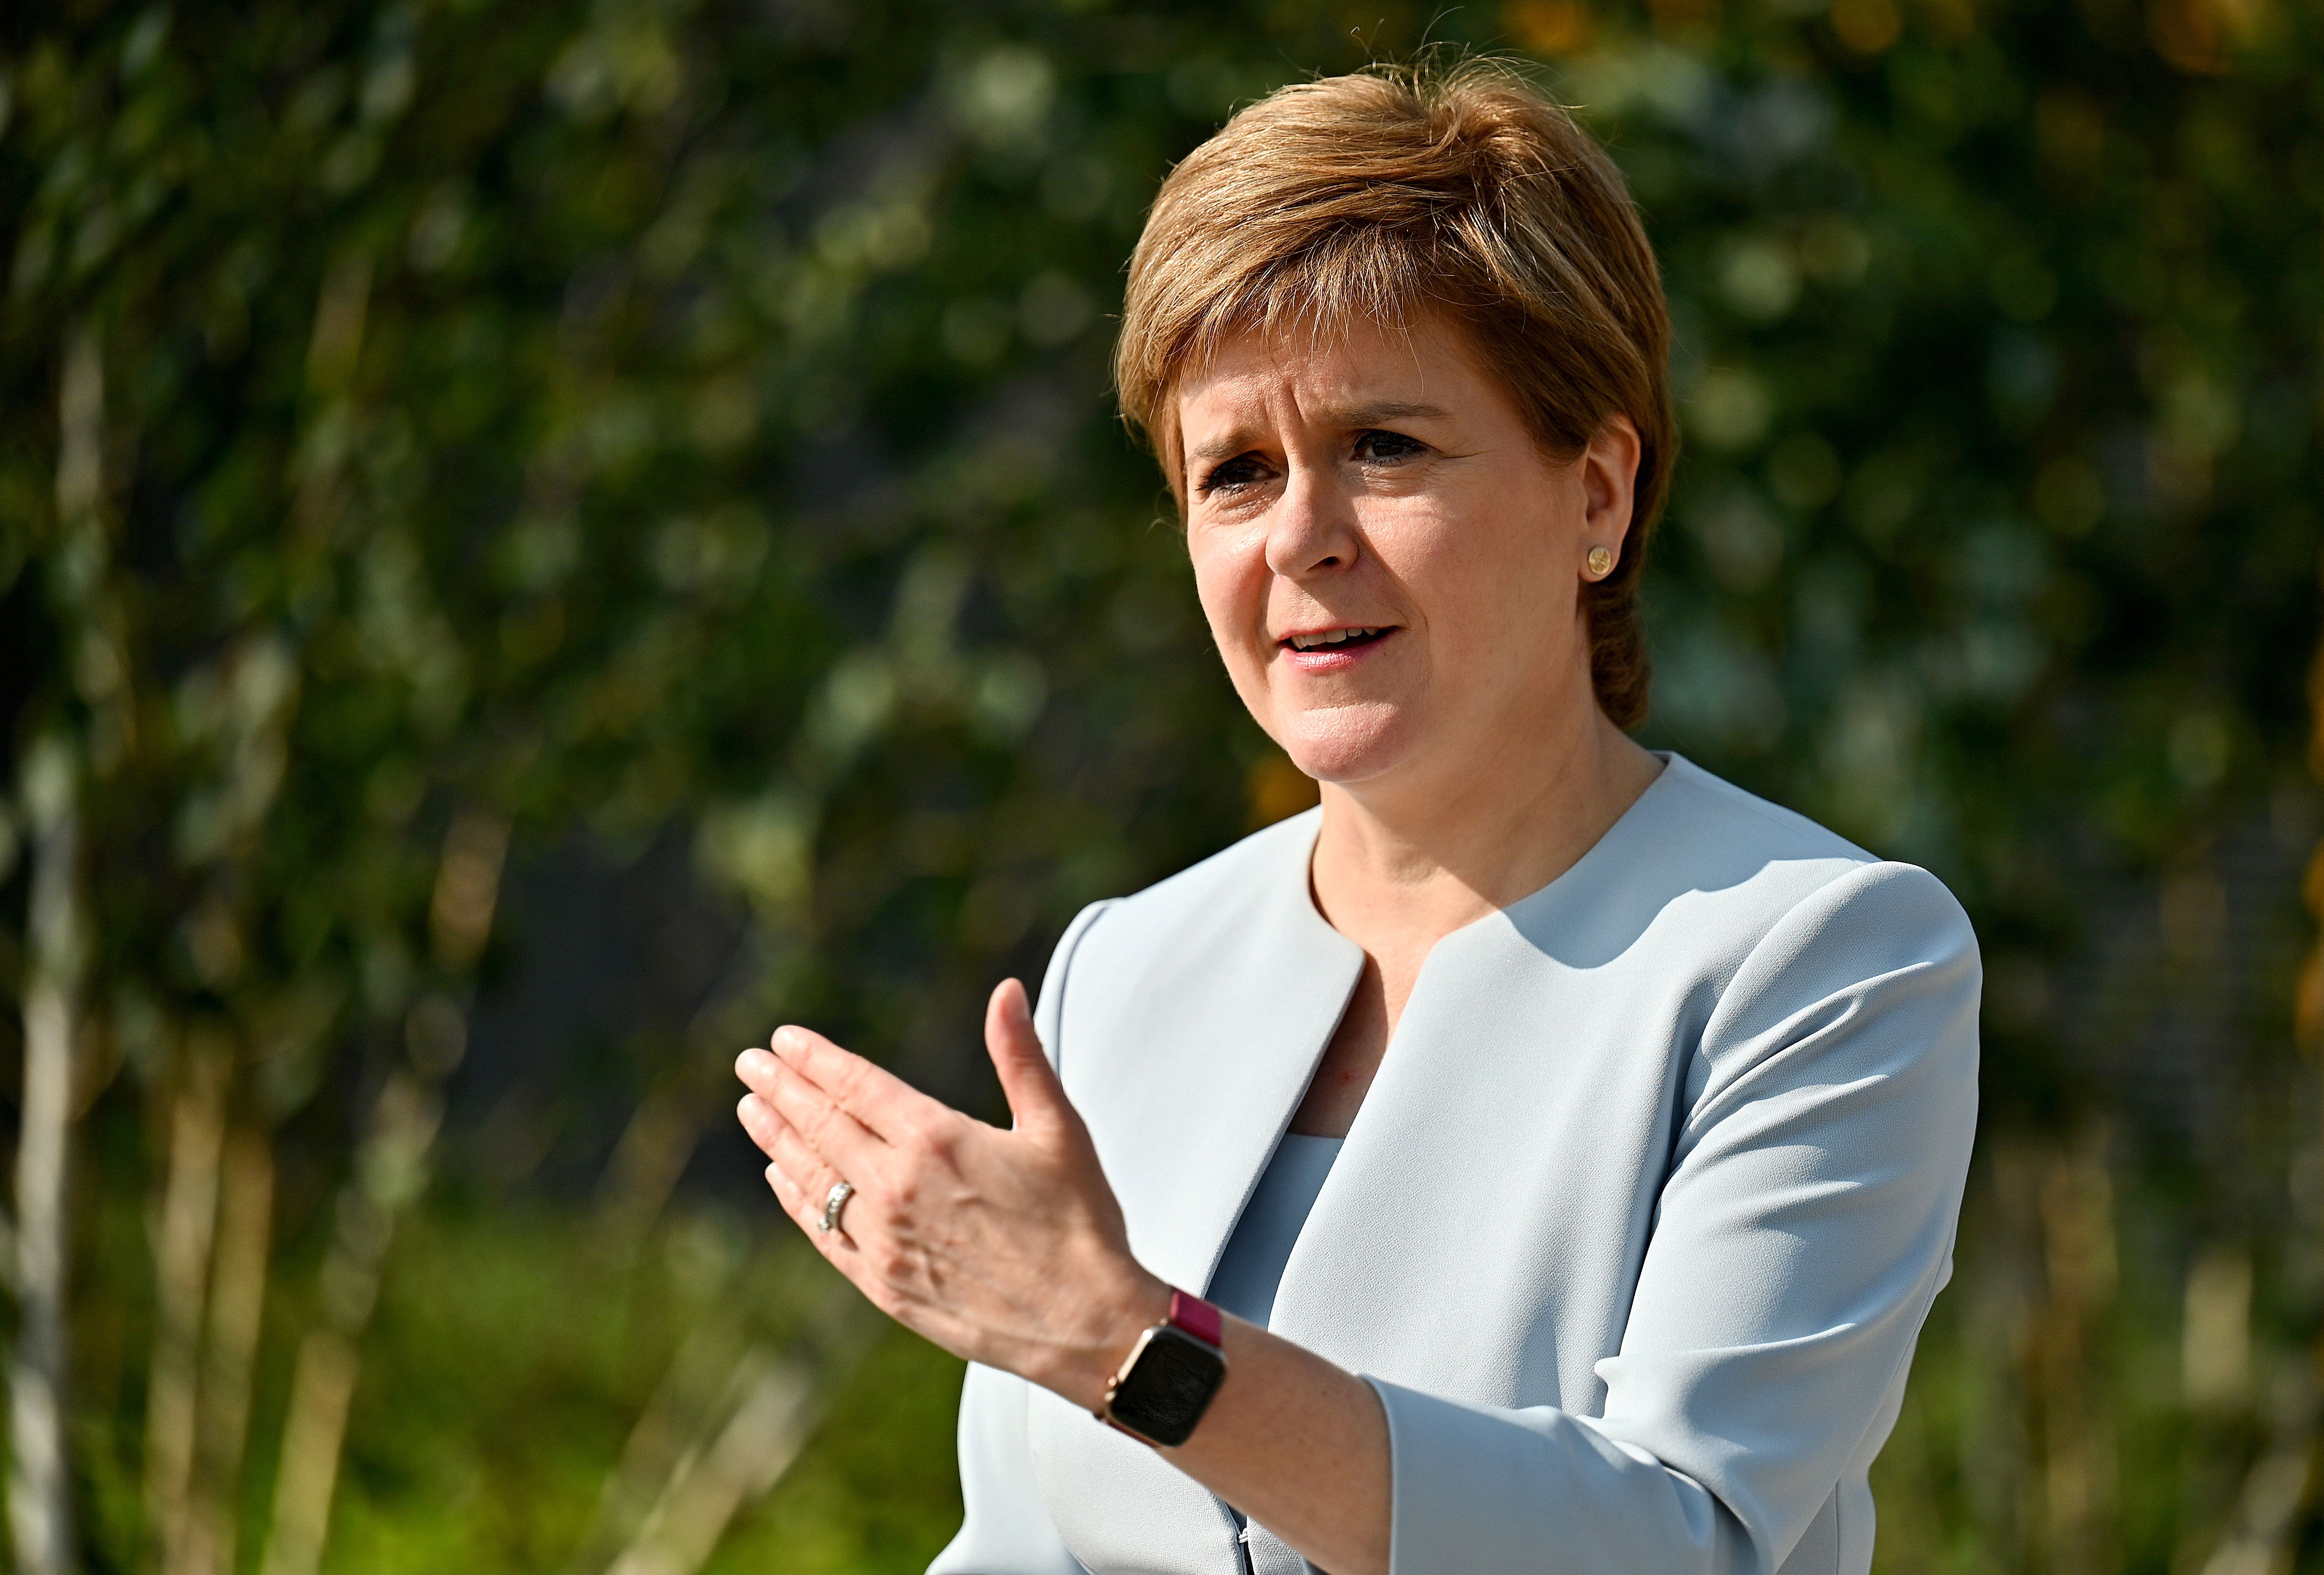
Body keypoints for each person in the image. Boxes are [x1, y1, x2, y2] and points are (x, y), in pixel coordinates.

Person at [731, 60, 1979, 1575]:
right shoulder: (1122, 969)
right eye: (1237, 474)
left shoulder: (1821, 963)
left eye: (1384, 447)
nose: (1302, 541)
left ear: (1595, 493)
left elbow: (1684, 1542)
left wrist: (1128, 1343)